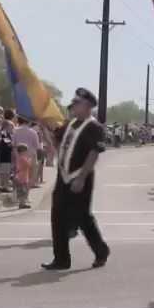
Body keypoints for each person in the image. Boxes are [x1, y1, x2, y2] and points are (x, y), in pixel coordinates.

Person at [42, 88, 110, 270]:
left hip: (81, 178)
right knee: (57, 217)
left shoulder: (93, 127)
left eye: (77, 103)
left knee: (83, 218)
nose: (73, 106)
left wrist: (80, 178)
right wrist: (45, 130)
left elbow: (94, 153)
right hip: (63, 177)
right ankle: (61, 259)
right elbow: (58, 143)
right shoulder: (69, 124)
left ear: (87, 106)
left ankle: (101, 251)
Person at [12, 116, 40, 189]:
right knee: (30, 175)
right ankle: (27, 192)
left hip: (18, 155)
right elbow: (37, 145)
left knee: (18, 174)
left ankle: (19, 192)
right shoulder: (33, 132)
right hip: (30, 155)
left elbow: (13, 144)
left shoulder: (15, 131)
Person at [0, 109, 15, 193]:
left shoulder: (4, 129)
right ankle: (5, 186)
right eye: (11, 127)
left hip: (2, 151)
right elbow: (8, 141)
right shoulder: (5, 131)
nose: (12, 128)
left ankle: (2, 185)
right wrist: (12, 144)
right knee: (6, 170)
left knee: (3, 169)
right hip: (6, 152)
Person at [14, 143, 32, 209]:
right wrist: (30, 160)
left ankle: (22, 203)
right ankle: (22, 203)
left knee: (22, 191)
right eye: (26, 151)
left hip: (21, 176)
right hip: (22, 177)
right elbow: (28, 165)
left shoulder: (19, 158)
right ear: (22, 151)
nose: (27, 152)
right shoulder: (22, 158)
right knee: (23, 191)